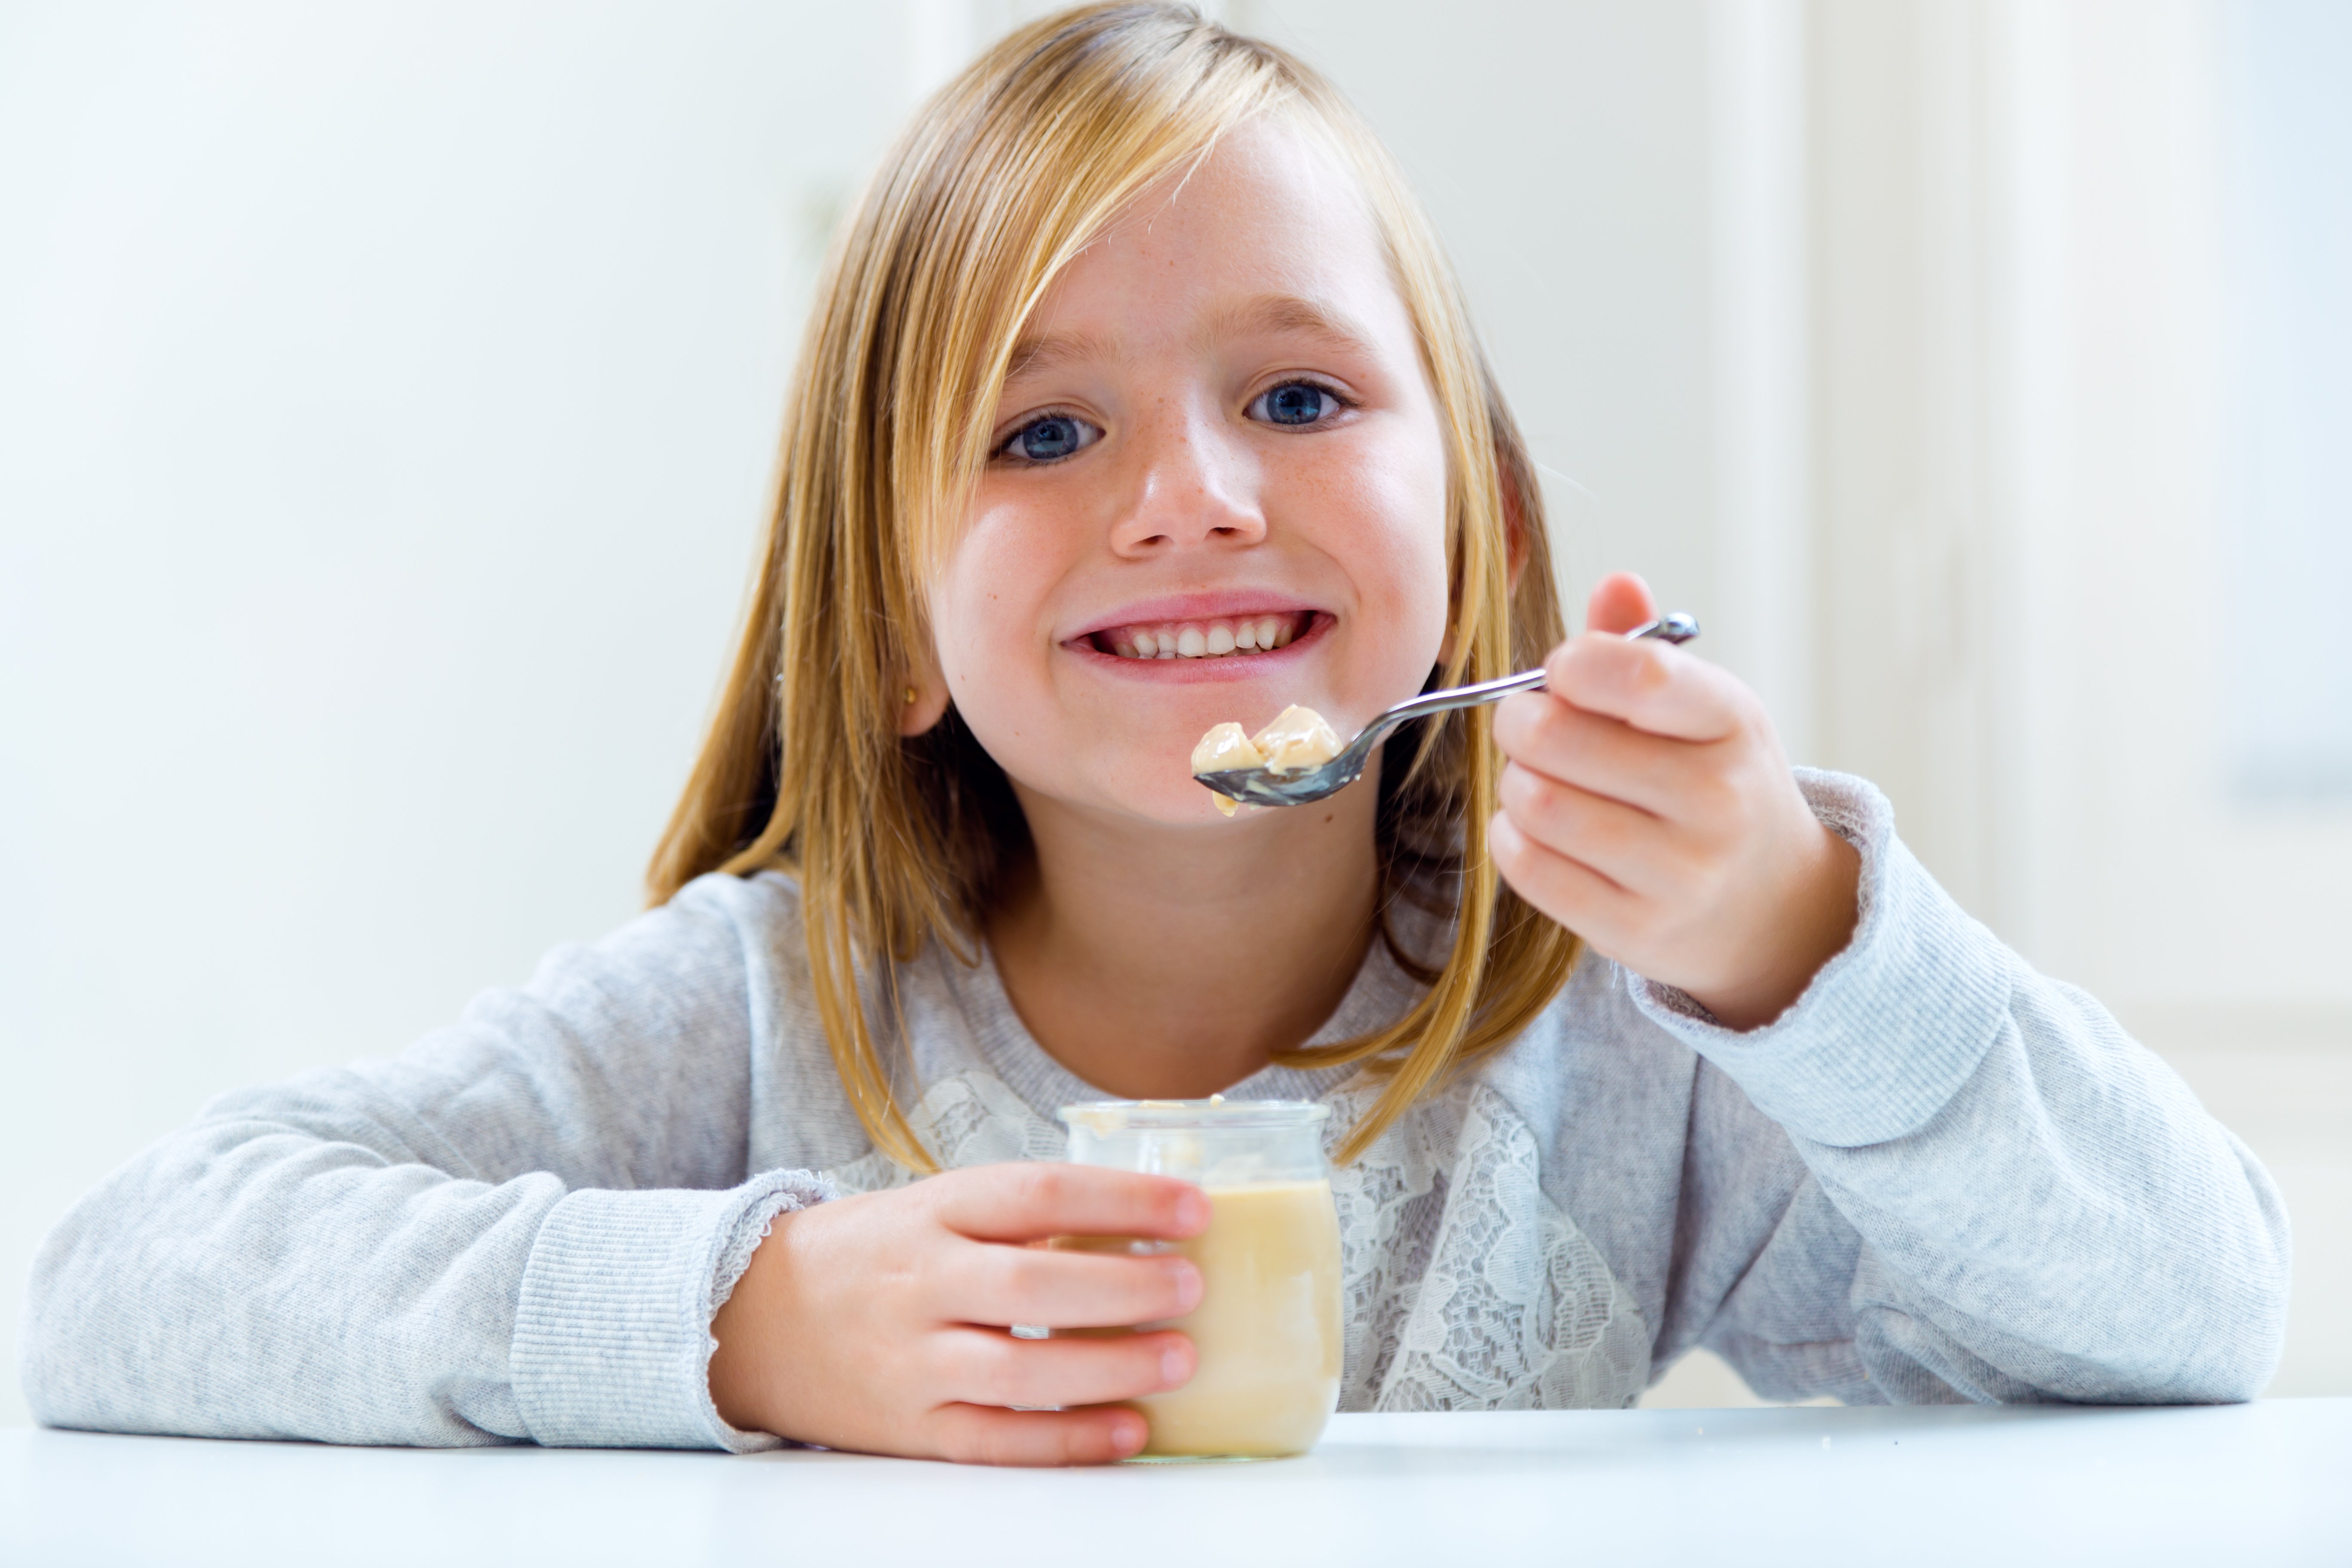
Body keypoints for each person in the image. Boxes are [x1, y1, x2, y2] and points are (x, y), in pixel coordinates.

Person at [21, 3, 2289, 1466]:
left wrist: (1805, 941)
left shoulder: (1623, 1047)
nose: (1192, 491)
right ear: (889, 631)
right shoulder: (754, 1015)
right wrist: (751, 1324)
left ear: (1477, 530)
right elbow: (134, 1271)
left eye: (1297, 395)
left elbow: (2190, 1320)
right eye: (1043, 433)